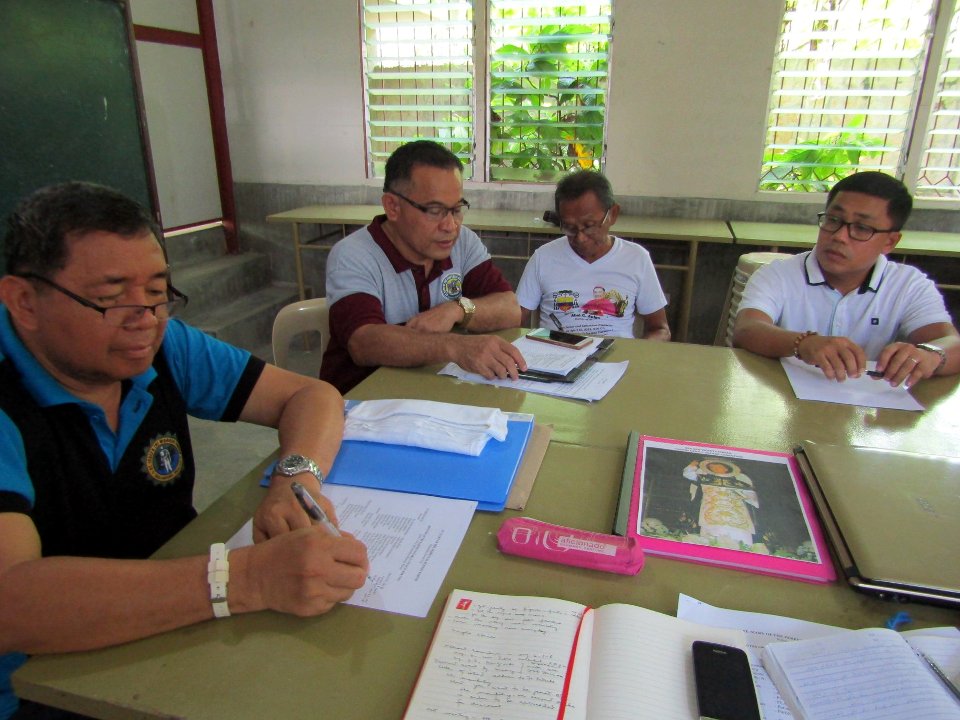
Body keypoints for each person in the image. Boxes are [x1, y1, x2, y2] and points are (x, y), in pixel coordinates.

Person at [0, 183, 369, 719]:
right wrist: (245, 578)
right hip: (49, 683)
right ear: (25, 302)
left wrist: (297, 477)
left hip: (179, 614)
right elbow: (13, 603)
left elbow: (311, 395)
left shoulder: (159, 345)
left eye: (157, 292)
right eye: (111, 297)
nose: (144, 318)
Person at [319, 140, 526, 394]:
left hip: (434, 393)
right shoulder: (353, 255)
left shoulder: (462, 241)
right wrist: (453, 347)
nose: (450, 225)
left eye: (457, 209)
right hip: (364, 403)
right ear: (393, 207)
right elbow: (364, 341)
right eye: (435, 210)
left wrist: (458, 309)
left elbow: (510, 308)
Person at [733, 171, 959, 387]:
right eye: (833, 220)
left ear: (890, 241)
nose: (839, 236)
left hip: (870, 412)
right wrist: (802, 343)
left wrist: (931, 355)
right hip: (783, 400)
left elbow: (952, 343)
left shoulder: (908, 285)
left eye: (861, 228)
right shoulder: (779, 274)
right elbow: (747, 329)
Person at [516, 171, 671, 340]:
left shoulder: (636, 258)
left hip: (617, 357)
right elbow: (515, 321)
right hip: (557, 357)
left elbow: (660, 329)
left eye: (589, 226)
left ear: (612, 215)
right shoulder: (543, 258)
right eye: (569, 227)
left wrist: (639, 356)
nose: (580, 238)